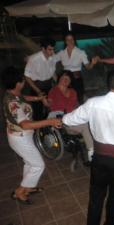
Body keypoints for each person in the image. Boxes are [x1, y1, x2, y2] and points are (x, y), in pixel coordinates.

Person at [62, 66, 114, 225]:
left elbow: (67, 120)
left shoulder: (93, 103)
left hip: (99, 157)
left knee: (96, 195)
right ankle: (111, 223)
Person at [1, 66, 62, 204]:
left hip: (22, 136)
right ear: (17, 83)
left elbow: (23, 98)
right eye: (22, 81)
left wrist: (38, 98)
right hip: (20, 138)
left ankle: (28, 187)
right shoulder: (12, 103)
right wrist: (50, 121)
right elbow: (25, 124)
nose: (24, 82)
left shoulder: (12, 93)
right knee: (38, 165)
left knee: (30, 162)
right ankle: (19, 191)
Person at [46, 70, 94, 161]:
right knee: (84, 126)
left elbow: (76, 106)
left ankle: (93, 144)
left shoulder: (73, 91)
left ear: (70, 81)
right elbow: (49, 104)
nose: (65, 80)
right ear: (59, 79)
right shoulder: (54, 90)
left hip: (72, 116)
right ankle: (91, 152)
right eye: (63, 77)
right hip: (59, 117)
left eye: (68, 79)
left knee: (91, 120)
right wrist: (45, 102)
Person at [55, 32, 98, 103]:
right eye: (68, 40)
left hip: (76, 80)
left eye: (71, 39)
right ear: (65, 41)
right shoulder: (61, 53)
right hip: (64, 81)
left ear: (74, 40)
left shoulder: (81, 52)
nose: (70, 41)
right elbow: (52, 60)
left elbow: (88, 67)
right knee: (64, 100)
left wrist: (92, 63)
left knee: (78, 100)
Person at [24, 37, 57, 120]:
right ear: (43, 49)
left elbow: (53, 73)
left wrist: (57, 84)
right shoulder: (34, 59)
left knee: (50, 110)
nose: (52, 52)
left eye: (53, 49)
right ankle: (38, 131)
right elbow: (27, 76)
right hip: (37, 88)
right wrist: (38, 91)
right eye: (50, 50)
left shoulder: (53, 57)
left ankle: (48, 130)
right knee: (38, 113)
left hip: (49, 86)